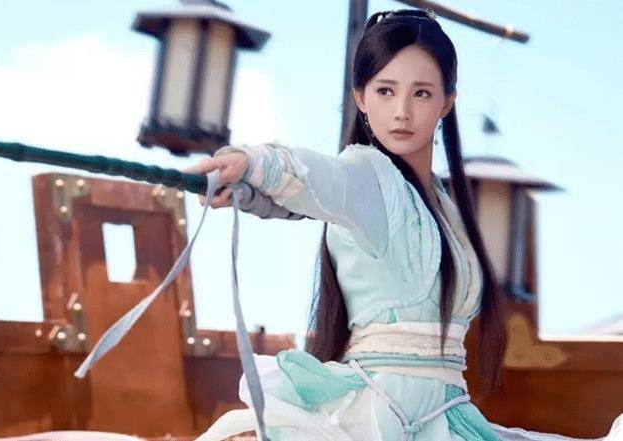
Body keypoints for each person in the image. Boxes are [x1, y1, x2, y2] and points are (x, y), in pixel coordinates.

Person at [181, 8, 623, 441]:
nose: (402, 112)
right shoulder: (367, 173)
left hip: (448, 416)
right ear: (361, 98)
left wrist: (255, 194)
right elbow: (320, 178)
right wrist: (251, 164)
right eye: (385, 91)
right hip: (379, 414)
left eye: (421, 93)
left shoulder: (446, 208)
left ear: (447, 101)